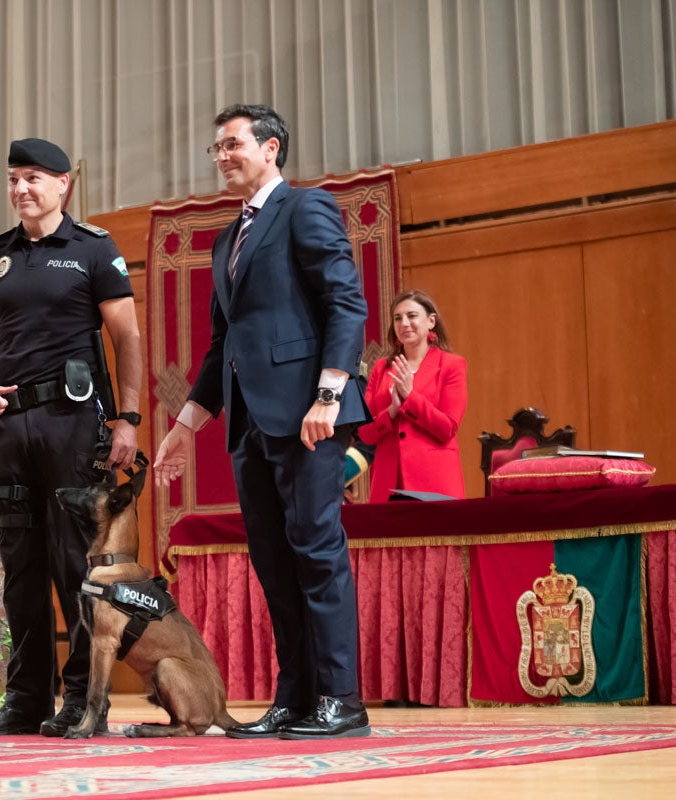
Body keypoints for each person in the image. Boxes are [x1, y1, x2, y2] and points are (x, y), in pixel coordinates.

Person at [153, 104, 371, 739]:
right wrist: (184, 426)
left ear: (271, 149)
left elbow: (345, 302)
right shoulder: (227, 239)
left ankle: (341, 700)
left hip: (310, 417)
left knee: (316, 552)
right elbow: (222, 345)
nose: (222, 156)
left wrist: (329, 395)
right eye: (216, 147)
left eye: (233, 144)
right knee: (274, 562)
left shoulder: (306, 209)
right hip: (249, 425)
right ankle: (296, 698)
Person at [0, 137, 143, 738]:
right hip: (7, 431)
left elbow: (128, 339)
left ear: (64, 184)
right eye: (14, 178)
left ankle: (83, 701)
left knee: (75, 568)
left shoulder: (94, 248)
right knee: (20, 569)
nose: (21, 189)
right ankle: (25, 697)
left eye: (34, 177)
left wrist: (129, 419)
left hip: (72, 426)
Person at [357, 289, 467, 501]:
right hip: (387, 482)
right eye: (398, 318)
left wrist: (410, 398)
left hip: (434, 482)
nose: (404, 323)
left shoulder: (452, 365)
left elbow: (447, 428)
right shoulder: (381, 368)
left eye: (412, 316)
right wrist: (391, 412)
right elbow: (365, 433)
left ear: (431, 321)